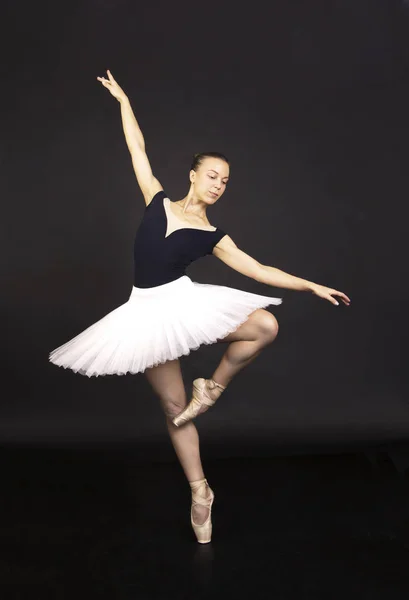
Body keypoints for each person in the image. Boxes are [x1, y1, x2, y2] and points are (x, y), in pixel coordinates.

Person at [49, 70, 350, 544]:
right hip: (145, 313)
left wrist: (310, 285)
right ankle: (201, 492)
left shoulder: (214, 236)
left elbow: (257, 270)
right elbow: (138, 149)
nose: (218, 184)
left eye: (225, 181)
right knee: (173, 408)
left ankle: (212, 387)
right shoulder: (156, 199)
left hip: (185, 304)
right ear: (193, 174)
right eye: (212, 175)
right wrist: (124, 100)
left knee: (265, 325)